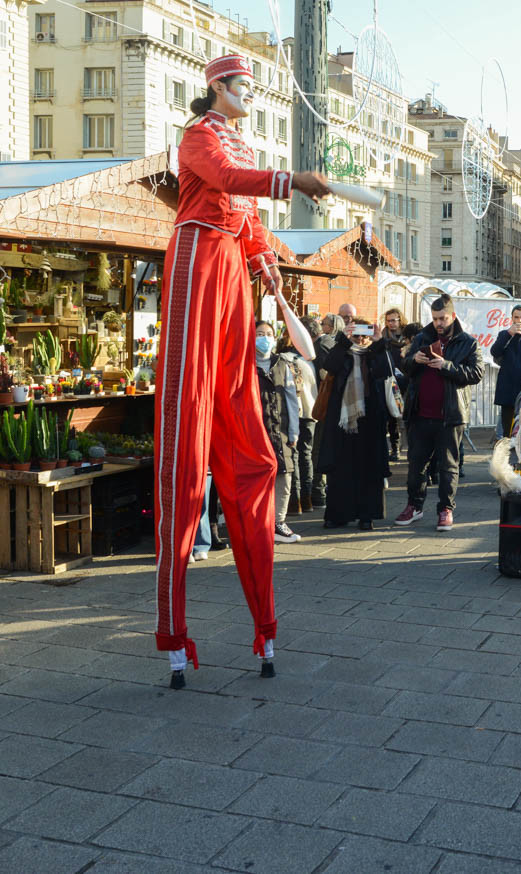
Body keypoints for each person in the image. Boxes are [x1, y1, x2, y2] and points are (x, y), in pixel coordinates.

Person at [154, 53, 330, 688]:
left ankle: (265, 624)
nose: (249, 96)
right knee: (186, 426)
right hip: (198, 260)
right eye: (242, 87)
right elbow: (227, 179)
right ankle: (172, 629)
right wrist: (291, 181)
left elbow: (248, 220)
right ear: (216, 89)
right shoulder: (199, 136)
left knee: (249, 437)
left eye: (252, 88)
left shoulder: (237, 138)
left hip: (230, 268)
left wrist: (266, 265)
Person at [394, 294, 484, 532]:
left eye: (442, 318)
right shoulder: (423, 337)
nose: (439, 323)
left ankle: (446, 509)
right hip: (420, 414)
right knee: (416, 465)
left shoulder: (468, 342)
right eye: (435, 319)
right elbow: (404, 368)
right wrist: (415, 359)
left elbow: (476, 374)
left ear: (452, 316)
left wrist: (447, 366)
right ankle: (414, 505)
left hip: (450, 416)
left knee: (448, 466)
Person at [317, 318, 391, 530]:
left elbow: (385, 371)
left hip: (370, 420)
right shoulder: (343, 351)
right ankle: (338, 515)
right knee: (340, 469)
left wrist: (378, 342)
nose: (360, 339)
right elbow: (329, 366)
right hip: (343, 420)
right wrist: (344, 341)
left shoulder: (375, 352)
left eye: (364, 335)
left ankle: (366, 516)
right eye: (357, 335)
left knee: (368, 470)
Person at [255, 321, 301, 545]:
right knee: (257, 479)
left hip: (280, 429)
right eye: (260, 334)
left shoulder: (282, 364)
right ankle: (257, 524)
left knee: (285, 474)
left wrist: (294, 430)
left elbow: (292, 399)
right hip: (255, 431)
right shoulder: (244, 365)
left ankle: (278, 522)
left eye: (269, 334)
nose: (264, 338)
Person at [276, 324, 318, 515]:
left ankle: (295, 502)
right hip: (310, 413)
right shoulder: (307, 362)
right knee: (306, 456)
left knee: (292, 458)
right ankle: (308, 500)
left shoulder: (280, 362)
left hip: (292, 414)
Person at [311, 313, 345, 509]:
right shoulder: (336, 344)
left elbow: (326, 374)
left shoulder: (324, 344)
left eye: (323, 323)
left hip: (326, 403)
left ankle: (319, 491)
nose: (321, 325)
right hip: (334, 404)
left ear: (331, 326)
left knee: (320, 447)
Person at [490, 304, 521, 437]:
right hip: (507, 390)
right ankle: (507, 455)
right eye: (516, 317)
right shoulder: (504, 335)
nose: (519, 320)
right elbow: (494, 351)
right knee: (507, 432)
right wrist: (508, 334)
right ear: (512, 319)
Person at [383, 307, 408, 461]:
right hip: (392, 380)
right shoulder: (384, 337)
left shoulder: (408, 336)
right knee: (392, 415)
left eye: (394, 320)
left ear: (400, 320)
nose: (391, 323)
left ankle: (408, 447)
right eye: (388, 320)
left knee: (407, 416)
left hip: (407, 379)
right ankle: (395, 448)